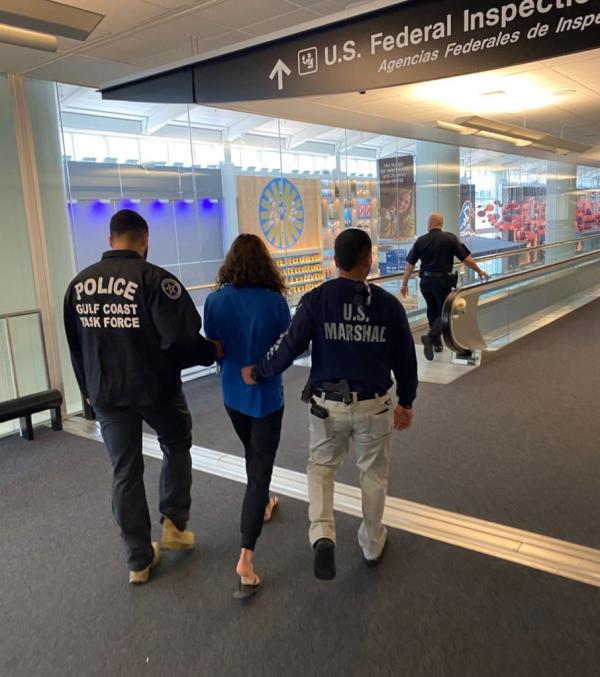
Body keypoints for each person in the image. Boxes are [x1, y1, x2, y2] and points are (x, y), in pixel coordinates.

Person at [241, 229, 417, 581]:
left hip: (326, 406)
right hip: (375, 407)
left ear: (335, 261)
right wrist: (406, 402)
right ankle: (371, 542)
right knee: (373, 475)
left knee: (321, 469)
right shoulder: (388, 306)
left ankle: (322, 534)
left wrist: (258, 371)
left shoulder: (316, 300)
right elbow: (406, 359)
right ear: (368, 261)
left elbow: (289, 346)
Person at [64, 209, 221, 585]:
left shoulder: (78, 285)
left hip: (106, 394)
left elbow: (75, 347)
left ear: (109, 239)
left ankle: (137, 560)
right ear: (145, 240)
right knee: (177, 442)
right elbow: (181, 339)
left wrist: (89, 393)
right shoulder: (154, 280)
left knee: (125, 470)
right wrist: (210, 352)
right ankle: (174, 524)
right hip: (154, 389)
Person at [203, 234, 291, 599]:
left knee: (252, 455)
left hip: (231, 393)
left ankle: (265, 501)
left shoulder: (214, 300)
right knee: (259, 469)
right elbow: (286, 345)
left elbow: (215, 345)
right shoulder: (274, 303)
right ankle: (246, 558)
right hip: (266, 395)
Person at [401, 213, 489, 361]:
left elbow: (410, 264)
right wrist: (479, 271)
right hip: (442, 281)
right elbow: (466, 259)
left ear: (430, 223)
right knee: (445, 313)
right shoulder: (450, 238)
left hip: (425, 282)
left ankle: (437, 344)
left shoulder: (420, 241)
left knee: (432, 310)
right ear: (441, 224)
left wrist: (404, 283)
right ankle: (430, 338)